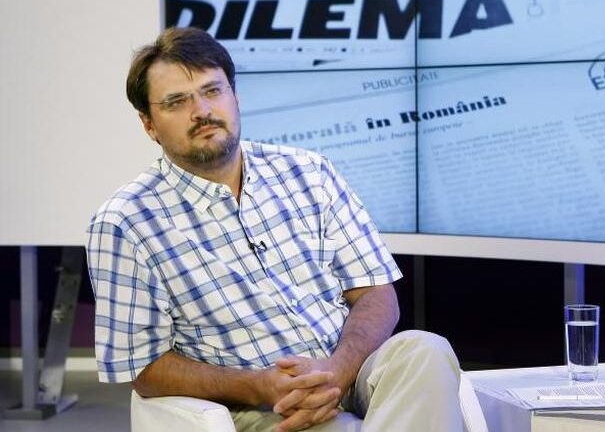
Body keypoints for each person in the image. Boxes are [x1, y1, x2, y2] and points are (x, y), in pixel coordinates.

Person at [86, 26, 464, 432]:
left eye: (213, 91)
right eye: (177, 101)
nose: (201, 111)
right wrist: (258, 386)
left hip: (349, 369)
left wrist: (336, 372)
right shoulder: (126, 221)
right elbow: (143, 366)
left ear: (235, 97)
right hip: (259, 405)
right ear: (149, 124)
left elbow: (375, 292)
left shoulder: (309, 171)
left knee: (425, 351)